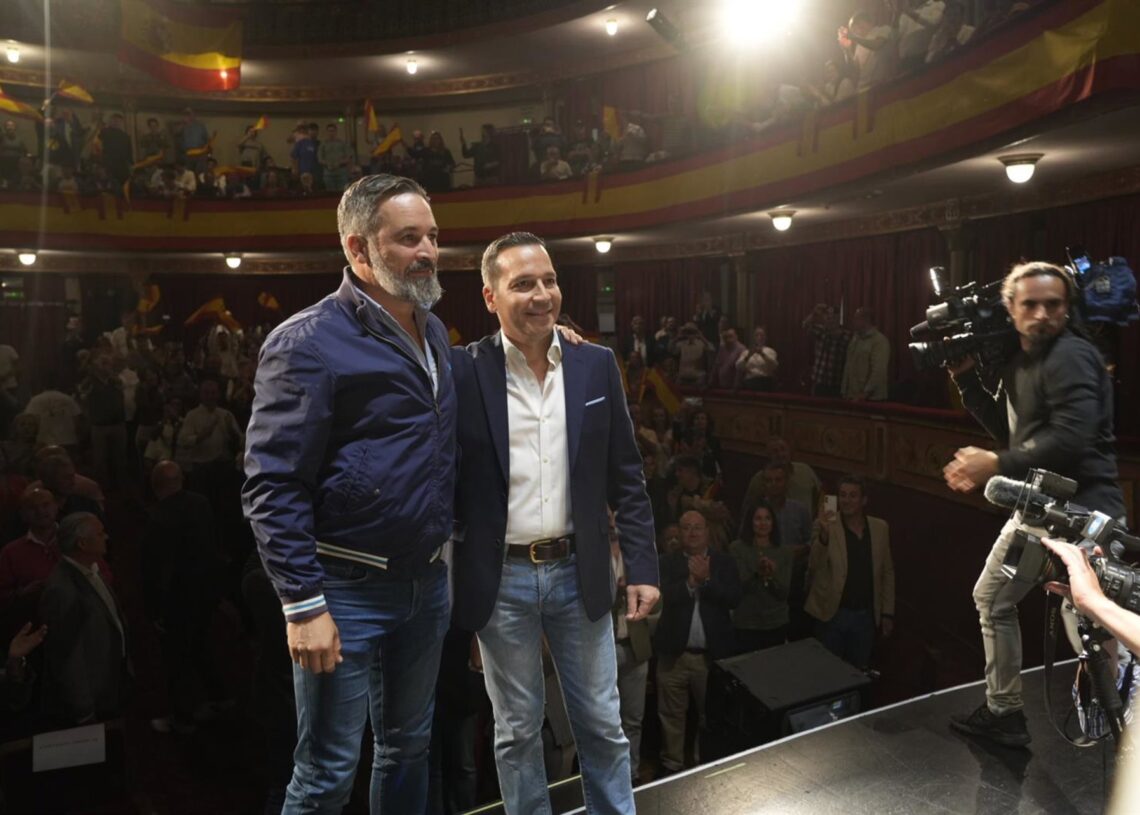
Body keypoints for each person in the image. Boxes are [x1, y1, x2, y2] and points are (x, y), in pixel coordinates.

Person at [243, 174, 455, 814]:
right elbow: (271, 483)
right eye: (409, 238)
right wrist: (303, 605)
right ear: (359, 250)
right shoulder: (305, 341)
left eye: (434, 237)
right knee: (327, 774)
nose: (428, 251)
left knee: (408, 749)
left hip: (426, 584)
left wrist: (556, 342)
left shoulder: (435, 330)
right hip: (344, 591)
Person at [450, 231, 659, 814]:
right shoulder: (462, 371)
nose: (542, 295)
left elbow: (627, 475)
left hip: (579, 571)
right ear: (491, 297)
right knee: (516, 733)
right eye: (523, 285)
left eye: (548, 280)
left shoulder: (596, 365)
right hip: (502, 581)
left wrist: (642, 566)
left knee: (601, 725)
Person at [944, 261, 1126, 748]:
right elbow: (1015, 436)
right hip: (1041, 511)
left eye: (1053, 305)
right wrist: (966, 381)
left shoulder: (1070, 356)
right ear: (1010, 308)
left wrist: (995, 462)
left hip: (1083, 517)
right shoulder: (1023, 361)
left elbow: (1072, 438)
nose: (1042, 314)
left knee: (1097, 629)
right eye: (1031, 304)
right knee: (995, 601)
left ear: (1067, 309)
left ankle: (1127, 730)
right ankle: (1004, 711)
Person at [653, 509, 741, 774]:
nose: (691, 532)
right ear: (679, 532)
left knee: (709, 717)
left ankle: (704, 765)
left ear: (707, 532)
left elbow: (734, 598)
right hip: (673, 656)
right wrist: (691, 583)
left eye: (697, 527)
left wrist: (707, 581)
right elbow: (661, 597)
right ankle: (672, 767)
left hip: (710, 658)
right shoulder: (666, 562)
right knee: (670, 716)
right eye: (686, 527)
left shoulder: (724, 562)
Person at [39, 512, 125, 725]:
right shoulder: (62, 590)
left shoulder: (91, 569)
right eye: (100, 533)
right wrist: (83, 708)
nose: (106, 537)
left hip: (109, 678)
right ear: (83, 544)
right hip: (94, 693)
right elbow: (66, 656)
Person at [804, 475, 895, 669]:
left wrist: (887, 613)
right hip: (832, 614)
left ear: (864, 500)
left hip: (865, 617)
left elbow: (887, 572)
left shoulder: (880, 528)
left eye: (853, 496)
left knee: (858, 671)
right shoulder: (826, 524)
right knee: (827, 671)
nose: (846, 500)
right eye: (843, 495)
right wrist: (824, 537)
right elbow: (813, 566)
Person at [729, 501, 792, 652]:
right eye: (758, 518)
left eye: (767, 518)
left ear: (773, 522)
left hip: (776, 623)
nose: (763, 523)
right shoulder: (737, 548)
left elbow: (783, 593)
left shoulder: (784, 552)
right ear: (750, 521)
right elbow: (740, 587)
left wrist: (771, 577)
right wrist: (758, 572)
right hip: (746, 623)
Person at [840, 307, 890, 401]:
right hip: (852, 395)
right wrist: (844, 390)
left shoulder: (879, 341)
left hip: (871, 399)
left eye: (856, 318)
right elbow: (849, 365)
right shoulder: (856, 339)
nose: (853, 321)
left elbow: (879, 371)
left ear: (865, 320)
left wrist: (865, 394)